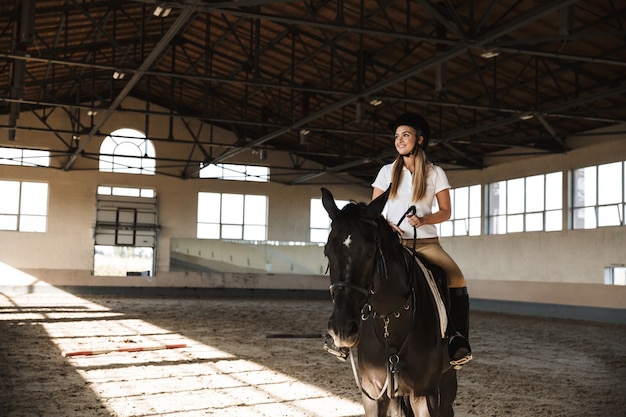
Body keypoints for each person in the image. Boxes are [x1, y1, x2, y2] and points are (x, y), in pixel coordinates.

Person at [370, 112, 472, 367]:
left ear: (420, 140)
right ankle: (346, 335)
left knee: (456, 277)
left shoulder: (435, 173)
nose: (399, 140)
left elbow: (446, 212)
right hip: (392, 243)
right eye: (396, 136)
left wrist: (424, 220)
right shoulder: (386, 172)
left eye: (405, 135)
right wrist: (386, 224)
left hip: (426, 243)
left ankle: (457, 340)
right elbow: (373, 208)